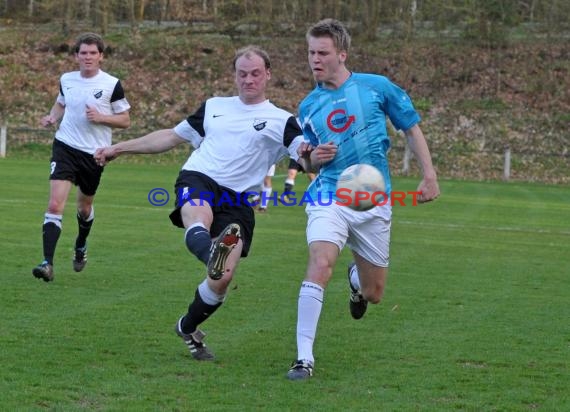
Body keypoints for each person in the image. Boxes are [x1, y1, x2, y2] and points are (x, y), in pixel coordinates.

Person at [94, 45, 304, 361]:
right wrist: (119, 148)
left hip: (237, 201)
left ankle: (188, 325)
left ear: (268, 75)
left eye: (255, 73)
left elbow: (306, 154)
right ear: (235, 75)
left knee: (223, 279)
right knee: (198, 219)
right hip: (199, 177)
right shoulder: (214, 107)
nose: (248, 80)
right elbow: (169, 137)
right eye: (242, 74)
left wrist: (319, 155)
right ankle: (211, 254)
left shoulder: (283, 120)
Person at [286, 19, 440, 380]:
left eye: (322, 53)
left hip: (372, 200)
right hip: (329, 196)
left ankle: (356, 282)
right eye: (310, 52)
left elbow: (411, 128)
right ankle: (303, 358)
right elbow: (305, 158)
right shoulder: (308, 105)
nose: (315, 60)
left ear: (342, 54)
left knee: (375, 293)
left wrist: (429, 174)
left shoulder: (376, 87)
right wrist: (312, 159)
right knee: (321, 264)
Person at [32, 32, 131, 282]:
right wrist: (52, 117)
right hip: (65, 146)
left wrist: (102, 118)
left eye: (93, 53)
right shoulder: (67, 79)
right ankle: (47, 264)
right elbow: (61, 103)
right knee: (55, 205)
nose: (88, 57)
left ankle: (81, 244)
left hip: (94, 154)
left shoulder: (111, 84)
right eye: (83, 53)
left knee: (84, 207)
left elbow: (125, 120)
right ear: (76, 55)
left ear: (101, 56)